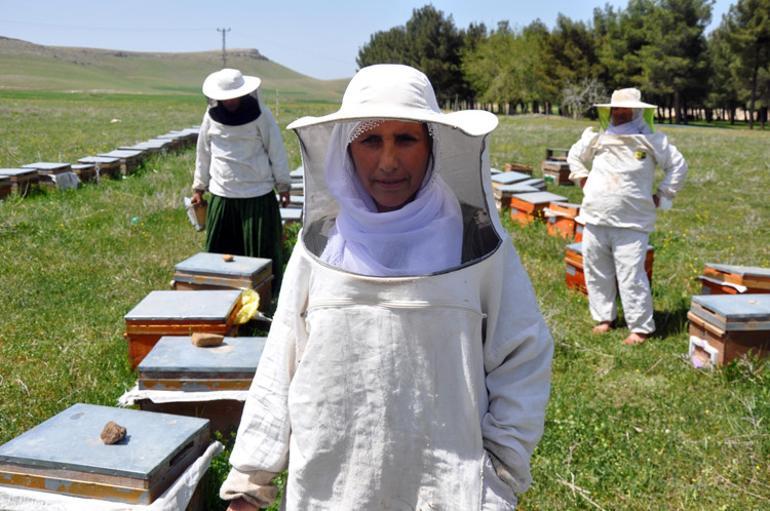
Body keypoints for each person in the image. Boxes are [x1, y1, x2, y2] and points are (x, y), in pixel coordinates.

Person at [220, 64, 553, 510]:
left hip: (445, 486)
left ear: (431, 144)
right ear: (346, 149)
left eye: (406, 139)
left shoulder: (475, 241)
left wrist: (501, 469)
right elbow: (283, 358)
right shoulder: (322, 242)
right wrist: (250, 479)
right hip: (332, 481)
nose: (389, 161)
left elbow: (523, 353)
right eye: (372, 140)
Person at [567, 87, 688, 345]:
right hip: (595, 217)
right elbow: (574, 156)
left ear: (637, 111)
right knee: (596, 271)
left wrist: (663, 194)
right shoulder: (597, 138)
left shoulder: (652, 140)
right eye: (615, 108)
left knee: (631, 275)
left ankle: (640, 328)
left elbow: (678, 165)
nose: (618, 113)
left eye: (623, 108)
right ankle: (604, 318)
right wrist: (582, 179)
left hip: (632, 222)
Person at [191, 68, 291, 286]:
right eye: (225, 98)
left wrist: (283, 185)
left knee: (260, 253)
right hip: (222, 193)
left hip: (257, 194)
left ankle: (264, 295)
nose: (229, 102)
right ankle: (218, 291)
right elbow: (203, 152)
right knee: (220, 253)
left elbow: (276, 149)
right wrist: (199, 186)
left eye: (233, 96)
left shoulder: (262, 115)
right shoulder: (210, 117)